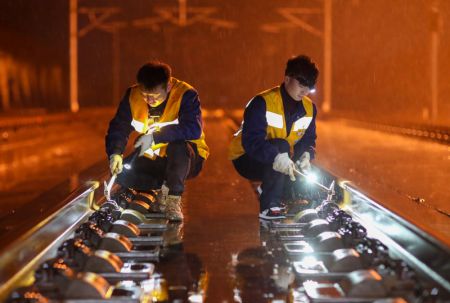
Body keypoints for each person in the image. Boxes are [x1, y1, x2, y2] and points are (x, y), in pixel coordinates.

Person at [105, 60, 209, 221]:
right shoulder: (132, 96)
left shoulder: (185, 94)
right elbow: (119, 126)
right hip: (156, 159)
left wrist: (154, 137)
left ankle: (173, 199)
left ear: (168, 87)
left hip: (186, 159)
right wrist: (115, 153)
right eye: (145, 95)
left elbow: (193, 129)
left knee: (178, 146)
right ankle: (163, 187)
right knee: (124, 174)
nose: (149, 100)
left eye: (154, 96)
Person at [228, 55, 318, 220]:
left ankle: (278, 191)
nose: (305, 91)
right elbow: (251, 141)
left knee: (299, 168)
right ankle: (269, 206)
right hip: (246, 158)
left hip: (277, 157)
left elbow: (308, 139)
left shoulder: (310, 108)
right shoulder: (262, 102)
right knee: (282, 145)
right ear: (287, 78)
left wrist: (307, 154)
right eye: (301, 84)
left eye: (309, 87)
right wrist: (275, 156)